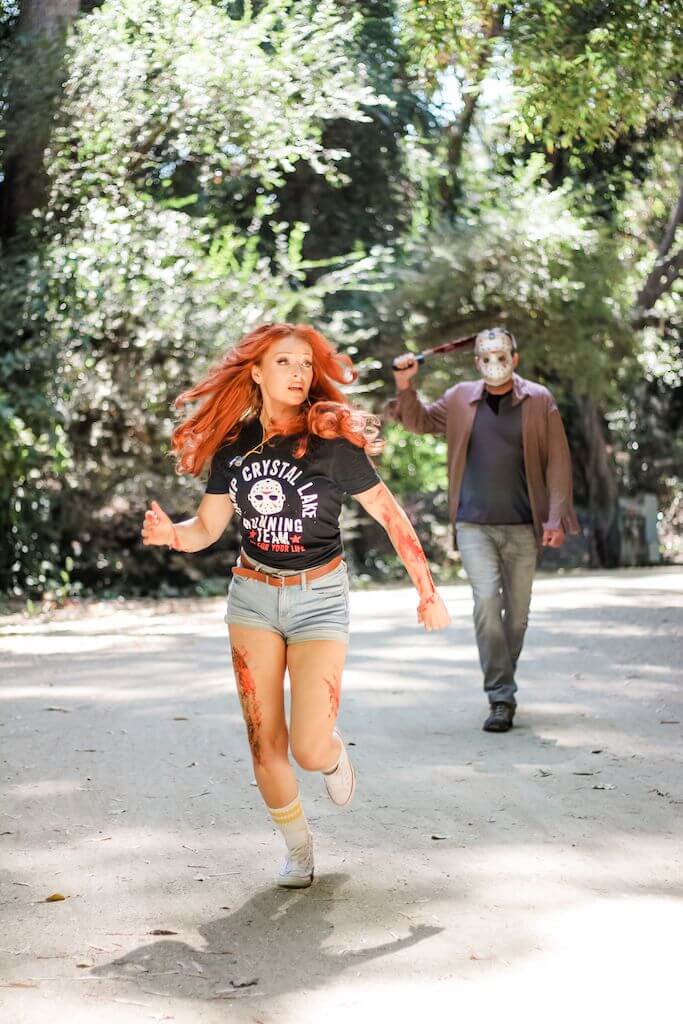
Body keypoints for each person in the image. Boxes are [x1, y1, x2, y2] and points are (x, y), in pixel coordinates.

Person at [141, 322, 450, 889]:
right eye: (284, 362)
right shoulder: (234, 447)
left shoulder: (332, 443)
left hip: (319, 599)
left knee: (308, 747)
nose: (299, 373)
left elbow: (390, 515)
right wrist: (171, 536)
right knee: (266, 746)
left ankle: (334, 757)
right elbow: (207, 527)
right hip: (252, 598)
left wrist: (427, 590)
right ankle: (299, 849)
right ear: (256, 372)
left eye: (306, 364)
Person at [390, 327, 578, 733]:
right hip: (475, 525)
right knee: (487, 602)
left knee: (518, 617)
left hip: (524, 526)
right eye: (486, 357)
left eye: (502, 356)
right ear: (476, 362)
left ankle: (501, 676)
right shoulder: (460, 398)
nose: (495, 363)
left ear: (515, 358)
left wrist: (555, 517)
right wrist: (405, 385)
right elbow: (420, 421)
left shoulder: (539, 400)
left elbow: (558, 463)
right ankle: (500, 697)